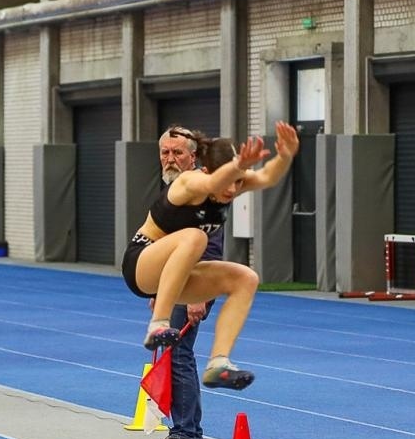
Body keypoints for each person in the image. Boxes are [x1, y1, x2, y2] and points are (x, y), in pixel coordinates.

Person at [122, 121, 299, 391]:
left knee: (246, 278)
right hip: (141, 262)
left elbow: (267, 177)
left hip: (177, 271)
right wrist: (236, 167)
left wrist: (285, 155)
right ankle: (158, 324)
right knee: (196, 236)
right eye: (229, 181)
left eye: (239, 183)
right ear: (206, 170)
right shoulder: (190, 181)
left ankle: (219, 362)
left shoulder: (233, 182)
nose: (231, 190)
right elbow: (217, 181)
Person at [149, 126, 220, 439]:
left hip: (195, 282)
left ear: (193, 155)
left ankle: (185, 435)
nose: (170, 158)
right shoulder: (169, 188)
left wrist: (199, 295)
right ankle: (191, 431)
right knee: (173, 353)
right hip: (174, 283)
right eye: (165, 151)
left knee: (178, 355)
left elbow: (210, 245)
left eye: (177, 152)